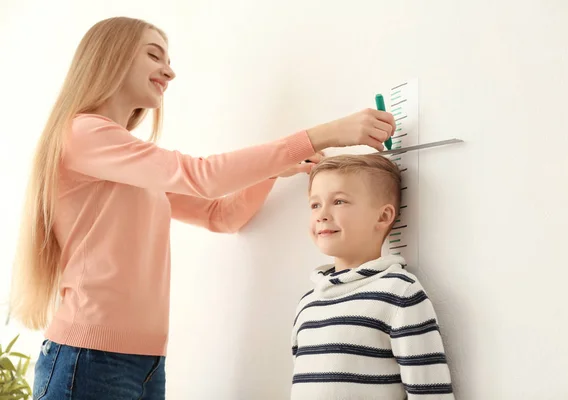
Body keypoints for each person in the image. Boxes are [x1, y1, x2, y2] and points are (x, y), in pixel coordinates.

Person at [8, 17, 396, 400]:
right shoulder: (83, 134)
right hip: (88, 358)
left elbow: (220, 215)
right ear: (112, 57)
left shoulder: (123, 158)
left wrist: (272, 171)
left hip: (145, 362)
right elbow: (202, 175)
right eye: (155, 55)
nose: (170, 71)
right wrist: (324, 134)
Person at [290, 154, 454, 399]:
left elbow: (431, 392)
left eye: (339, 201)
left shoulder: (399, 294)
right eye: (315, 204)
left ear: (383, 216)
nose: (322, 214)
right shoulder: (308, 303)